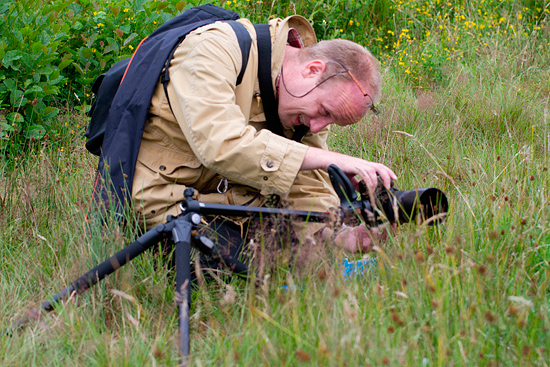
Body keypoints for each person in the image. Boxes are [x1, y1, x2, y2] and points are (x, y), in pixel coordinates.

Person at [131, 14, 397, 253]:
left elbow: (307, 184)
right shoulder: (215, 48)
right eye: (324, 111)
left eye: (330, 121)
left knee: (304, 262)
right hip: (165, 201)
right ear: (313, 69)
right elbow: (222, 145)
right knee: (234, 274)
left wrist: (337, 236)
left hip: (233, 207)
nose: (317, 127)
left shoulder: (304, 104)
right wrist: (331, 160)